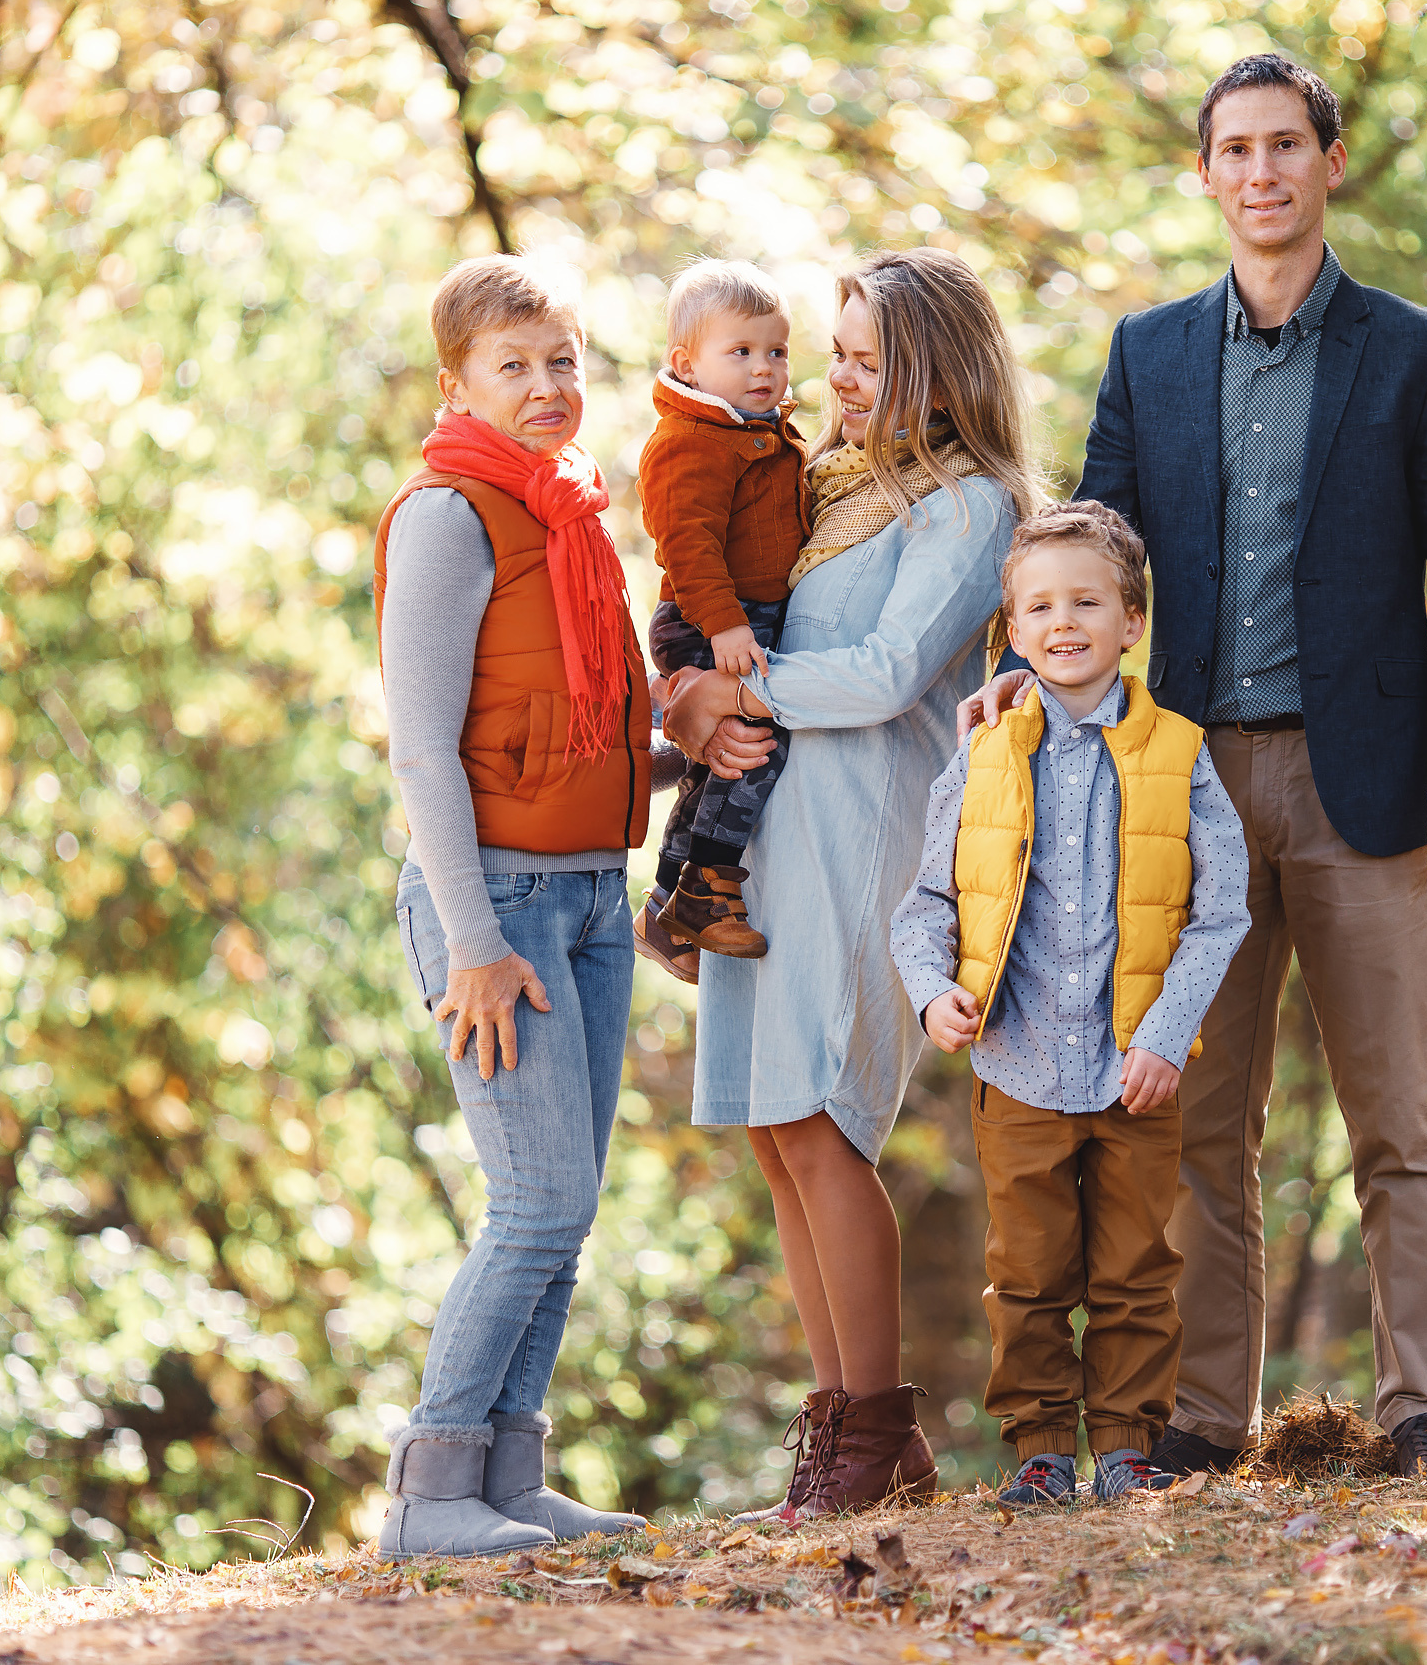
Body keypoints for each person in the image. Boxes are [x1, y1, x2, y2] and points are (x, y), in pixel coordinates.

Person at [963, 52, 1427, 1478]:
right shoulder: (1150, 352)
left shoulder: (1418, 350)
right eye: (1237, 150)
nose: (1262, 172)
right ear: (1205, 175)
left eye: (1288, 146)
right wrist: (1017, 686)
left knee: (1400, 1111)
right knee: (1199, 1125)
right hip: (1184, 790)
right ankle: (1202, 1418)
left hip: (1375, 787)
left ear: (1330, 163)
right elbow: (1086, 554)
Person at [659, 248, 1042, 1518]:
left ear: (937, 367)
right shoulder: (827, 488)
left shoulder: (969, 505)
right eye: (839, 350)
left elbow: (883, 675)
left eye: (868, 356)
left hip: (869, 826)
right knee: (778, 1129)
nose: (837, 375)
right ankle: (852, 1435)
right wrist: (693, 698)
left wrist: (741, 690)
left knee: (825, 1122)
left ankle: (874, 1430)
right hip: (776, 823)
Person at [368, 254, 656, 1556]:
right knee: (533, 1199)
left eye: (562, 361)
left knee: (570, 1201)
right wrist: (472, 942)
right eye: (513, 365)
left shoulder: (575, 514)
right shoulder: (449, 514)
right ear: (458, 382)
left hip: (594, 889)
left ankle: (511, 1471)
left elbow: (591, 711)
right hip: (495, 904)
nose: (546, 387)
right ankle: (432, 1489)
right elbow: (422, 747)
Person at [891, 502, 1249, 1506]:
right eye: (1039, 607)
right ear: (1012, 632)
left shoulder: (1180, 753)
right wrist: (933, 998)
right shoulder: (984, 756)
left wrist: (1167, 1039)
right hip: (1017, 1063)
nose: (1063, 623)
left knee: (1136, 1269)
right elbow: (921, 910)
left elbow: (1220, 914)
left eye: (1087, 602)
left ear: (1131, 620)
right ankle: (1042, 1448)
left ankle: (1128, 1446)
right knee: (1030, 1273)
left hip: (1139, 1069)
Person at [634, 259, 809, 977]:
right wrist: (725, 625)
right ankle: (705, 887)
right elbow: (689, 544)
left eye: (776, 351)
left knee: (724, 759)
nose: (763, 368)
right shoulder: (690, 441)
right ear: (688, 363)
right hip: (707, 618)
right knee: (750, 747)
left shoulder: (757, 429)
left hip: (743, 615)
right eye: (739, 352)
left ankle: (667, 909)